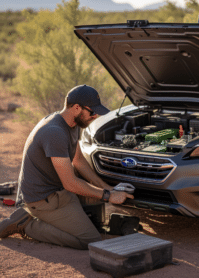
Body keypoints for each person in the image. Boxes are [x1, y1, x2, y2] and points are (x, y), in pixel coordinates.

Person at [0, 84, 134, 249]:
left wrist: (109, 188)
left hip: (56, 191)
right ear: (76, 108)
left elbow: (78, 160)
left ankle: (39, 216)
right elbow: (70, 183)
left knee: (89, 211)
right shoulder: (55, 132)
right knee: (90, 240)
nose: (95, 115)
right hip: (43, 199)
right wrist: (108, 196)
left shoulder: (71, 124)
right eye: (92, 112)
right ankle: (27, 224)